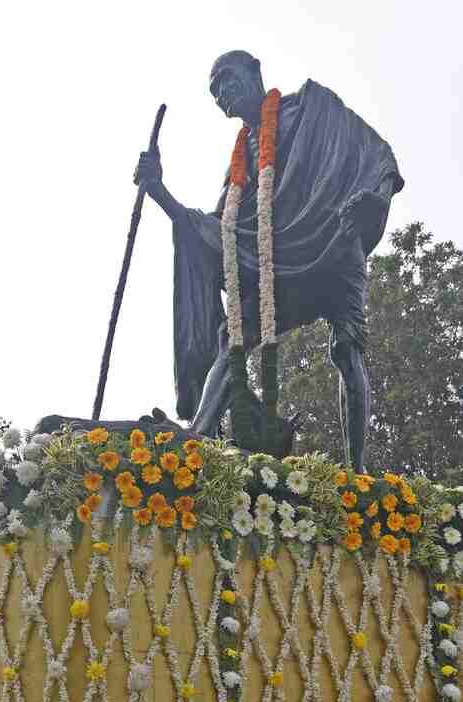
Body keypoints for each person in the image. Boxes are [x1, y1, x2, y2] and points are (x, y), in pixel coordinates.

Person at [134, 50, 403, 471]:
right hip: (278, 262)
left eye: (227, 78)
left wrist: (373, 198)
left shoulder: (314, 109)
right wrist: (160, 192)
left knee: (346, 351)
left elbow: (380, 156)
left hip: (334, 242)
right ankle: (200, 434)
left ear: (255, 70)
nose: (222, 92)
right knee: (235, 335)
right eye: (214, 89)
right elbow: (220, 229)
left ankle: (358, 470)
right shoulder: (241, 161)